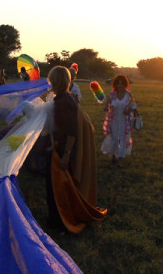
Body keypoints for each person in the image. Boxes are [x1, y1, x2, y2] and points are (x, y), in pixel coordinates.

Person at [44, 66, 106, 234]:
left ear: (56, 81)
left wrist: (66, 156)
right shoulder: (65, 98)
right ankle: (58, 219)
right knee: (60, 186)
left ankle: (61, 223)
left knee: (58, 188)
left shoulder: (63, 102)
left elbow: (71, 131)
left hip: (62, 150)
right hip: (60, 148)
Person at [100, 74, 137, 169]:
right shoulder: (113, 94)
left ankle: (120, 160)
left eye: (122, 84)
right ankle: (113, 157)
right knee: (114, 140)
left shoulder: (128, 94)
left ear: (125, 84)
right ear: (115, 84)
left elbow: (133, 106)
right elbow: (106, 103)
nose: (119, 86)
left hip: (125, 121)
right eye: (118, 84)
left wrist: (128, 110)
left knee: (124, 140)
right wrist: (105, 107)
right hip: (114, 120)